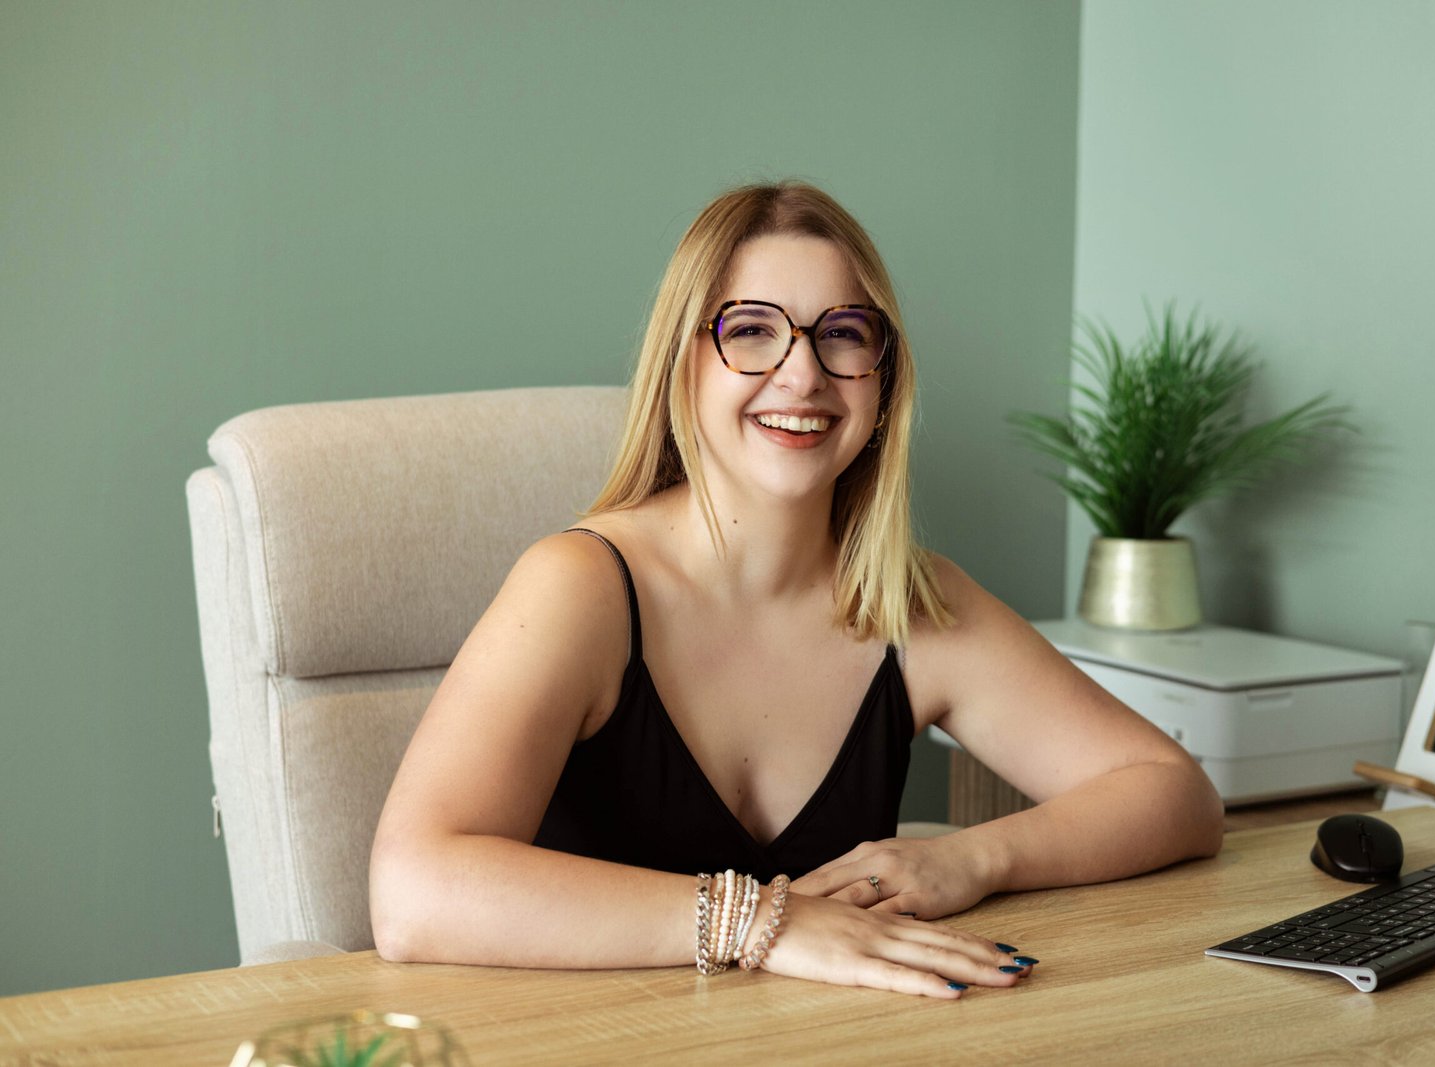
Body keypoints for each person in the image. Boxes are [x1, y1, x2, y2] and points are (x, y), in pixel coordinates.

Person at [369, 181, 1223, 998]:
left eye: (843, 332)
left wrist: (966, 858)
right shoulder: (582, 587)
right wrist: (761, 923)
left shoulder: (913, 605)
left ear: (882, 381)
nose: (804, 374)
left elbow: (1173, 792)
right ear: (684, 365)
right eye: (751, 330)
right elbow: (412, 890)